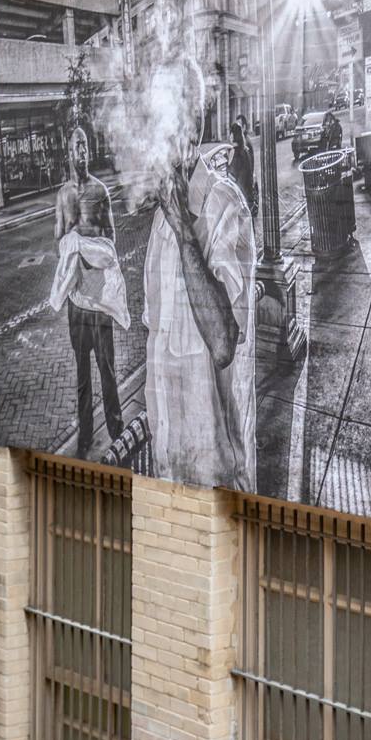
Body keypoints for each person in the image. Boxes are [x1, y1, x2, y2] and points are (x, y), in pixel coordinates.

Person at [140, 51, 256, 490]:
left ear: (193, 120)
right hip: (170, 467)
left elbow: (223, 343)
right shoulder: (160, 221)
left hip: (217, 477)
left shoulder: (225, 206)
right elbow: (157, 340)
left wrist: (186, 231)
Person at [52, 125, 126, 460]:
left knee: (106, 369)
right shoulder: (63, 196)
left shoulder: (100, 192)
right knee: (82, 372)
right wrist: (71, 254)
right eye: (76, 145)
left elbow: (112, 239)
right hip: (76, 303)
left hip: (98, 300)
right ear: (68, 152)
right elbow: (59, 241)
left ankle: (117, 429)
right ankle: (85, 434)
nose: (82, 151)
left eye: (85, 145)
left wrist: (92, 252)